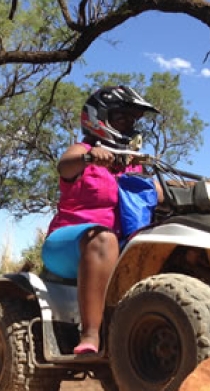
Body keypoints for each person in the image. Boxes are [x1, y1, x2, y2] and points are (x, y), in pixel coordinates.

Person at [41, 85, 159, 355]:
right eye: (122, 118)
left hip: (115, 246)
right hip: (69, 244)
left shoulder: (132, 163)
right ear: (100, 118)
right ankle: (91, 334)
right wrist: (88, 157)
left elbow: (155, 192)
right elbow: (65, 166)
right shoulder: (82, 150)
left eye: (132, 120)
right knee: (103, 237)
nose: (129, 125)